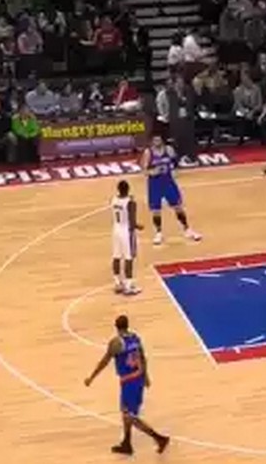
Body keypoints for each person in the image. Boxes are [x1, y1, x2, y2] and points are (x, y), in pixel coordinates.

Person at [84, 315, 170, 455]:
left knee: (130, 416)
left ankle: (159, 438)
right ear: (127, 325)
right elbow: (143, 357)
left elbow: (104, 361)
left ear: (116, 327)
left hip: (129, 381)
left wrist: (91, 377)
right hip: (138, 379)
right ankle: (127, 443)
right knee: (126, 414)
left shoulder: (116, 343)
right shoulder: (135, 338)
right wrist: (146, 376)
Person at [140, 135, 203, 245]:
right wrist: (153, 172)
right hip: (155, 184)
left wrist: (175, 171)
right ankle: (158, 233)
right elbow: (144, 170)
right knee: (156, 210)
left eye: (159, 139)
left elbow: (175, 163)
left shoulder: (169, 149)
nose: (157, 142)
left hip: (168, 183)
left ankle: (187, 230)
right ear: (152, 142)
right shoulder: (148, 152)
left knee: (178, 207)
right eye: (155, 140)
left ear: (162, 140)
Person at [111, 180, 142, 295]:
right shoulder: (130, 203)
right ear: (128, 189)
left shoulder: (114, 199)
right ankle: (128, 286)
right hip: (127, 232)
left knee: (116, 256)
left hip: (116, 230)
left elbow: (121, 202)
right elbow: (132, 222)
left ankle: (117, 283)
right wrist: (139, 226)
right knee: (129, 258)